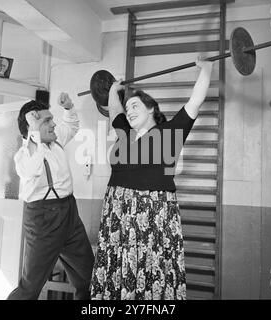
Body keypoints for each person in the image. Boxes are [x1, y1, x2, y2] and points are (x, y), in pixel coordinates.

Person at [90, 59, 213, 300]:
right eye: (129, 108)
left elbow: (195, 101)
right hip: (118, 215)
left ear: (150, 109)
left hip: (152, 218)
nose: (130, 111)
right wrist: (114, 90)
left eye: (135, 106)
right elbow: (116, 111)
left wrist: (207, 69)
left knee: (151, 277)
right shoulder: (125, 135)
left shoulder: (169, 134)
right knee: (118, 276)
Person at [7, 94, 94, 300]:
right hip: (43, 221)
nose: (54, 124)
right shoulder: (23, 155)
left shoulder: (56, 142)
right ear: (32, 128)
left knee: (90, 277)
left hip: (70, 215)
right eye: (47, 120)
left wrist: (69, 108)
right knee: (30, 287)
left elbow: (70, 125)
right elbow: (33, 169)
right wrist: (34, 132)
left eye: (51, 119)